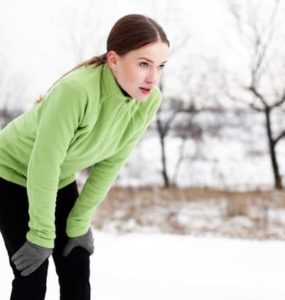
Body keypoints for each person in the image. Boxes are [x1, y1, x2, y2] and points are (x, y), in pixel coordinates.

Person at [0, 13, 169, 300]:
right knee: (33, 270)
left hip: (58, 177)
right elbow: (44, 163)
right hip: (10, 172)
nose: (153, 78)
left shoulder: (148, 101)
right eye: (143, 64)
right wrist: (41, 234)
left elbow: (111, 163)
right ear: (114, 60)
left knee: (76, 261)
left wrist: (79, 222)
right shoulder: (77, 91)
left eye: (160, 66)